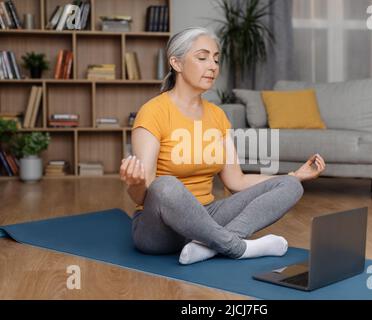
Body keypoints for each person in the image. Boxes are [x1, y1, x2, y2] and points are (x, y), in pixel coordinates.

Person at [119, 27, 326, 265]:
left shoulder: (218, 116)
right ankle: (236, 247)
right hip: (159, 230)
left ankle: (211, 245)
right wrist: (134, 184)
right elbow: (146, 194)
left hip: (208, 217)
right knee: (165, 186)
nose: (213, 66)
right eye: (202, 57)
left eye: (216, 59)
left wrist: (295, 175)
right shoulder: (153, 112)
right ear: (176, 63)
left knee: (291, 185)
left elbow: (236, 181)